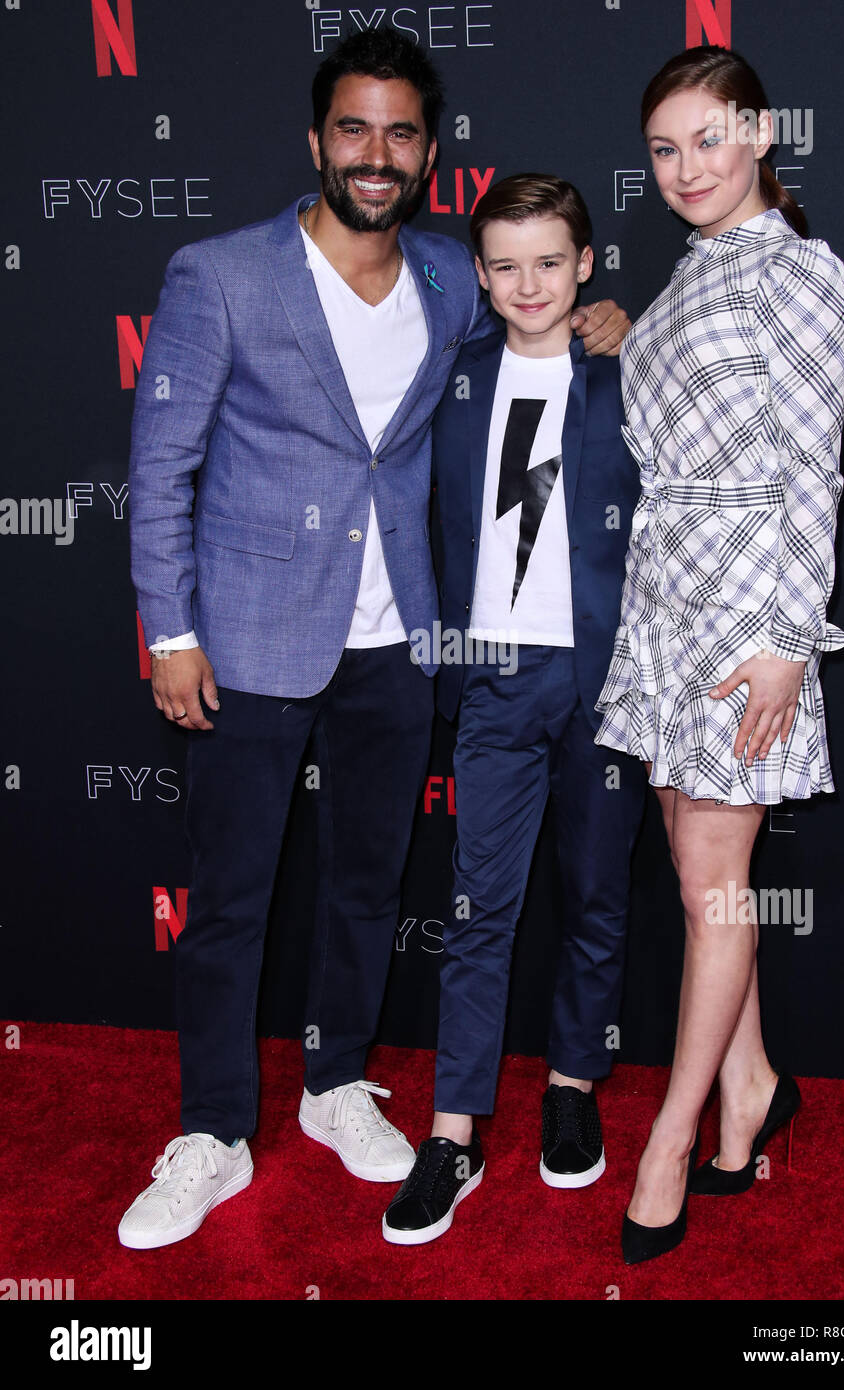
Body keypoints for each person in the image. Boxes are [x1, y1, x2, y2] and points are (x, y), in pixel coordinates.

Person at [119, 29, 630, 1250]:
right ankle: (211, 1132)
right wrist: (170, 629)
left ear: (427, 151)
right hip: (246, 634)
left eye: (401, 131)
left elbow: (537, 326)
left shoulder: (459, 279)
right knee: (233, 898)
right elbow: (160, 467)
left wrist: (612, 318)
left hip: (405, 637)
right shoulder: (220, 272)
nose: (376, 153)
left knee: (364, 882)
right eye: (354, 128)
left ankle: (336, 1082)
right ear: (316, 142)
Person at [594, 45, 844, 1264]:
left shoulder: (801, 273)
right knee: (692, 860)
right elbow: (681, 394)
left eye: (709, 138)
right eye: (664, 148)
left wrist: (784, 642)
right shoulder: (698, 271)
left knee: (713, 883)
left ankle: (672, 1140)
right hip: (666, 596)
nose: (686, 166)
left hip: (744, 605)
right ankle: (748, 1086)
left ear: (759, 135)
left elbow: (812, 466)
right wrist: (616, 329)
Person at [382, 175, 646, 1245]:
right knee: (479, 910)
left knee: (593, 897)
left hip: (605, 679)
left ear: (586, 264)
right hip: (491, 679)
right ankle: (453, 1133)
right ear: (478, 275)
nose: (528, 283)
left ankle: (573, 1081)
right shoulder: (451, 377)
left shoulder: (630, 371)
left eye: (551, 261)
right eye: (505, 264)